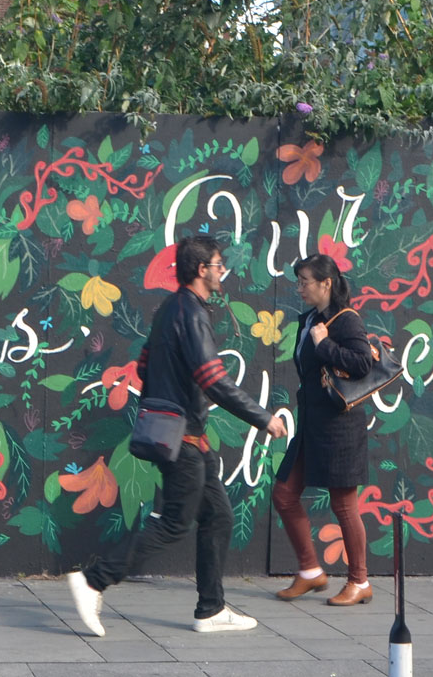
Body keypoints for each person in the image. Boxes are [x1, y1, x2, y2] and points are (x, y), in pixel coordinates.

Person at [68, 235, 288, 636]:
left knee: (219, 516)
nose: (223, 271)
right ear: (202, 269)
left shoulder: (170, 308)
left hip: (186, 435)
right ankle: (94, 580)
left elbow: (147, 364)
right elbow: (213, 379)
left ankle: (210, 609)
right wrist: (263, 418)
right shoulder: (191, 312)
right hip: (183, 437)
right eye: (219, 265)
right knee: (173, 523)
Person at [271, 254, 374, 606]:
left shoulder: (346, 321)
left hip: (339, 427)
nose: (299, 288)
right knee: (284, 494)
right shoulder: (312, 319)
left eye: (305, 281)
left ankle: (359, 581)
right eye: (298, 281)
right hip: (311, 424)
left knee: (344, 505)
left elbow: (363, 362)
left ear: (326, 283)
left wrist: (324, 344)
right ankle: (311, 571)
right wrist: (316, 338)